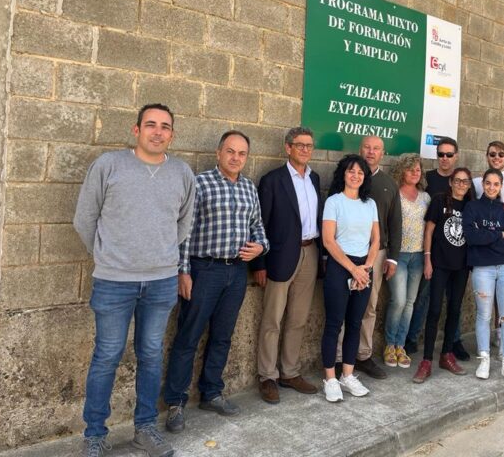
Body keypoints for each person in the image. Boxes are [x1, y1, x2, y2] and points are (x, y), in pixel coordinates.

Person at [74, 104, 195, 457]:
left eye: (165, 126)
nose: (158, 131)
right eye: (151, 124)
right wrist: (109, 255)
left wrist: (162, 255)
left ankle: (145, 429)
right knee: (107, 356)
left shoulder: (182, 172)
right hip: (114, 281)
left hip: (161, 281)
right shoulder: (109, 165)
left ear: (172, 134)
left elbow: (184, 223)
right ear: (136, 129)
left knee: (151, 355)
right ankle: (95, 435)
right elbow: (85, 218)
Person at [163, 131, 268, 432]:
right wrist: (183, 271)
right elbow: (184, 231)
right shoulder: (200, 183)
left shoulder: (249, 187)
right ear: (218, 153)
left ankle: (211, 392)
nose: (236, 158)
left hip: (236, 273)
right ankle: (175, 402)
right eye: (230, 151)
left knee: (223, 335)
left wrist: (261, 247)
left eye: (242, 153)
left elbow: (257, 226)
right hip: (204, 270)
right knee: (188, 335)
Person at [254, 127, 322, 404]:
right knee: (272, 319)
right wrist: (260, 263)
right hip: (280, 256)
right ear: (288, 147)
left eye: (309, 145)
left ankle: (289, 372)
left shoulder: (315, 178)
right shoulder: (272, 180)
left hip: (310, 252)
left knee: (298, 318)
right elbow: (260, 224)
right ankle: (267, 376)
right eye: (300, 145)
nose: (305, 149)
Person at [340, 136, 401, 380]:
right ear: (360, 149)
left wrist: (392, 258)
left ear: (382, 153)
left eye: (376, 148)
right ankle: (339, 356)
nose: (371, 152)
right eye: (367, 147)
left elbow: (395, 223)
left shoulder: (388, 184)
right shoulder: (346, 178)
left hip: (375, 254)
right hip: (346, 253)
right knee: (343, 304)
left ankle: (363, 355)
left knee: (369, 305)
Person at [321, 154, 380, 402]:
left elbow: (376, 240)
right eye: (351, 171)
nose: (355, 176)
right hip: (340, 267)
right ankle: (330, 378)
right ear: (343, 174)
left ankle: (347, 375)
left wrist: (366, 267)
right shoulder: (334, 202)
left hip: (364, 268)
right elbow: (328, 240)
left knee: (355, 323)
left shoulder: (370, 204)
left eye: (360, 172)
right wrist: (353, 269)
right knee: (334, 324)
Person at [413, 167, 475, 384]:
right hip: (439, 264)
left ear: (469, 185)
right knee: (434, 310)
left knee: (455, 309)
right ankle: (426, 361)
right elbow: (429, 231)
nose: (461, 185)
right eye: (457, 180)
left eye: (465, 181)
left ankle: (447, 355)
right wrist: (427, 260)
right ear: (451, 182)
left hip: (461, 266)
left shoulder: (471, 205)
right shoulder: (439, 200)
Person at [463, 168, 504, 382]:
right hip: (482, 269)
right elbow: (471, 236)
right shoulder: (472, 207)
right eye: (488, 183)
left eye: (496, 184)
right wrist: (498, 234)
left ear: (501, 186)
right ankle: (484, 359)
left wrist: (486, 239)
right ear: (483, 184)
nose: (491, 187)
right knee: (484, 315)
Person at [405, 137, 458, 358]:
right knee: (423, 298)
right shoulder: (428, 179)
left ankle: (454, 341)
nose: (444, 158)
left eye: (449, 154)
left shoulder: (460, 180)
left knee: (453, 299)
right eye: (441, 154)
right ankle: (412, 338)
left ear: (456, 156)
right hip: (431, 249)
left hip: (454, 251)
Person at [383, 154, 431, 369]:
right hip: (399, 255)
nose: (415, 173)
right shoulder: (394, 194)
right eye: (410, 169)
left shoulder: (425, 197)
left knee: (410, 302)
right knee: (399, 301)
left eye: (418, 169)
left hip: (418, 256)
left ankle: (400, 346)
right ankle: (389, 344)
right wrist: (389, 256)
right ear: (401, 171)